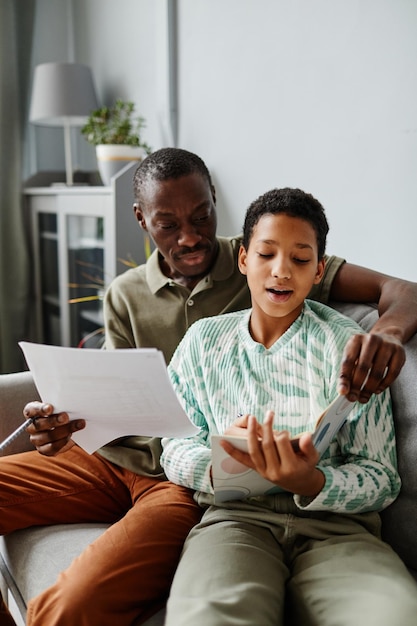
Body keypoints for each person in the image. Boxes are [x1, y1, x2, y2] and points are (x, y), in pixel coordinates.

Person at [1, 148, 416, 625]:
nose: (191, 236)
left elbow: (402, 290)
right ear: (141, 220)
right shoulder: (128, 296)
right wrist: (63, 425)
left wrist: (385, 335)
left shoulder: (280, 258)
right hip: (120, 459)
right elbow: (115, 403)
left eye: (201, 216)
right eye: (168, 225)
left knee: (73, 604)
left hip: (174, 483)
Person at [161, 187, 417, 626]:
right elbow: (173, 447)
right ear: (243, 259)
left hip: (339, 529)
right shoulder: (203, 342)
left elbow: (381, 478)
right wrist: (222, 463)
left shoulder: (349, 347)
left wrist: (311, 480)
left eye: (300, 260)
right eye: (266, 255)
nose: (281, 271)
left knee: (392, 614)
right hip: (234, 523)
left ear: (319, 271)